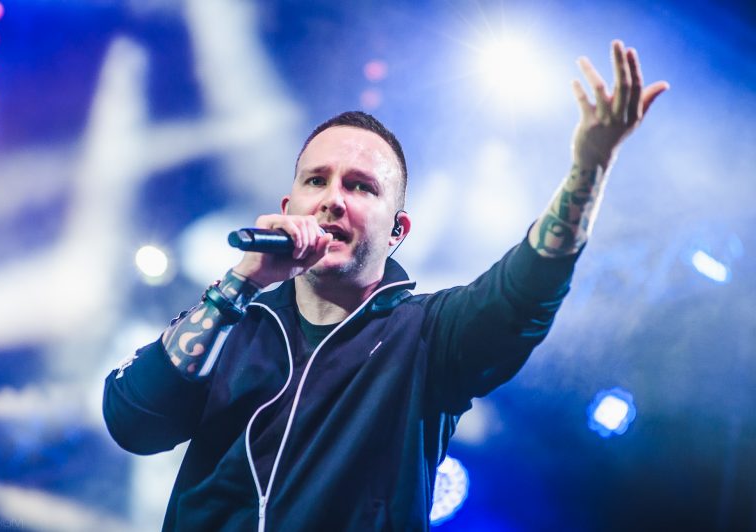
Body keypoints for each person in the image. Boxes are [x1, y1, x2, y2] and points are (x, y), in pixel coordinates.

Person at [103, 40, 667, 531]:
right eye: (316, 180)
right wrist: (239, 284)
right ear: (289, 206)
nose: (332, 199)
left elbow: (529, 286)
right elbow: (132, 421)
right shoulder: (236, 322)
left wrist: (589, 168)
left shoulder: (428, 336)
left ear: (397, 231)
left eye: (361, 187)